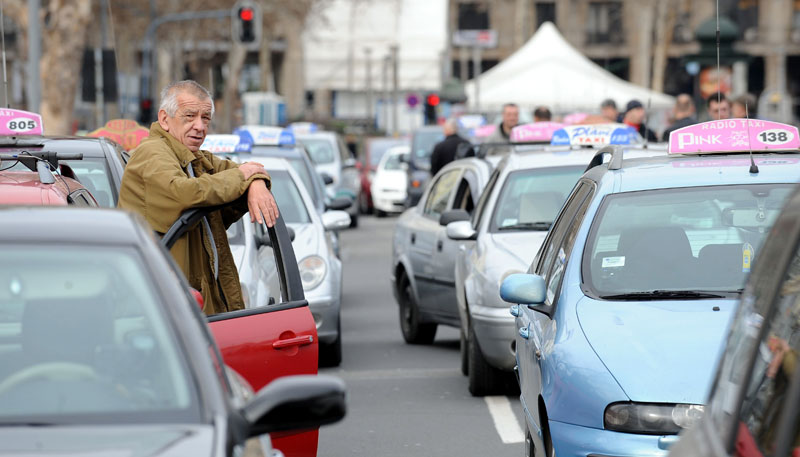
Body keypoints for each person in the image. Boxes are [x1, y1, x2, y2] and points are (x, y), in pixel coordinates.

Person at [118, 80, 279, 315]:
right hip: (164, 310)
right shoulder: (151, 153)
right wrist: (244, 176)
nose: (200, 126)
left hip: (190, 306)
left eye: (205, 118)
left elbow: (248, 170)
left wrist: (256, 182)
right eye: (190, 116)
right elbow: (185, 194)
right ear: (164, 119)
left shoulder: (196, 159)